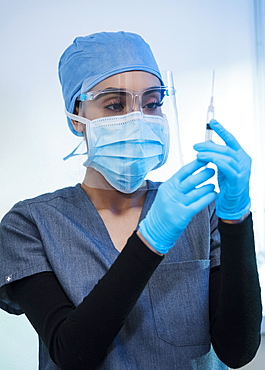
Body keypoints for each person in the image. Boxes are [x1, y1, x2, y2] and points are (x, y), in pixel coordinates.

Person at [0, 31, 262, 370]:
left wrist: (236, 220)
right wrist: (150, 241)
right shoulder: (30, 225)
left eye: (153, 103)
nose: (138, 118)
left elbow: (238, 351)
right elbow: (71, 354)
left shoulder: (200, 210)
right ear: (75, 117)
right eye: (114, 105)